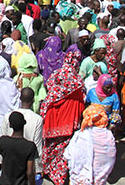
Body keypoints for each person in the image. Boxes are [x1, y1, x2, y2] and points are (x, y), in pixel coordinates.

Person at [40, 51, 86, 185]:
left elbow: (48, 86)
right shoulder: (77, 82)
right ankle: (58, 175)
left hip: (52, 118)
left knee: (50, 147)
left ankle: (47, 170)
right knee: (63, 150)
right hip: (69, 120)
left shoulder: (57, 74)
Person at [64, 104, 116, 185]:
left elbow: (69, 155)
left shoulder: (81, 135)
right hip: (100, 180)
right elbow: (110, 157)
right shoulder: (109, 135)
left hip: (80, 180)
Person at [0, 111, 38, 185]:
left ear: (10, 125)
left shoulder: (2, 141)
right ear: (24, 123)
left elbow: (2, 162)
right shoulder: (30, 146)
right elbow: (30, 173)